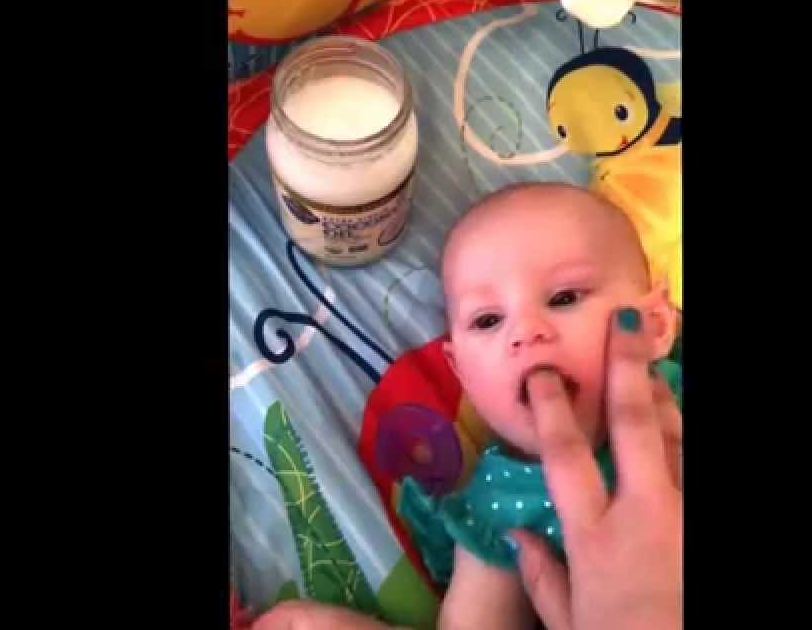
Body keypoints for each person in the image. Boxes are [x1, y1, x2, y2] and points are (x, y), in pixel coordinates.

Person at [254, 184, 683, 630]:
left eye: (564, 298)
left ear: (655, 324)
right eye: (488, 320)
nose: (526, 331)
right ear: (463, 375)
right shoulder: (504, 506)